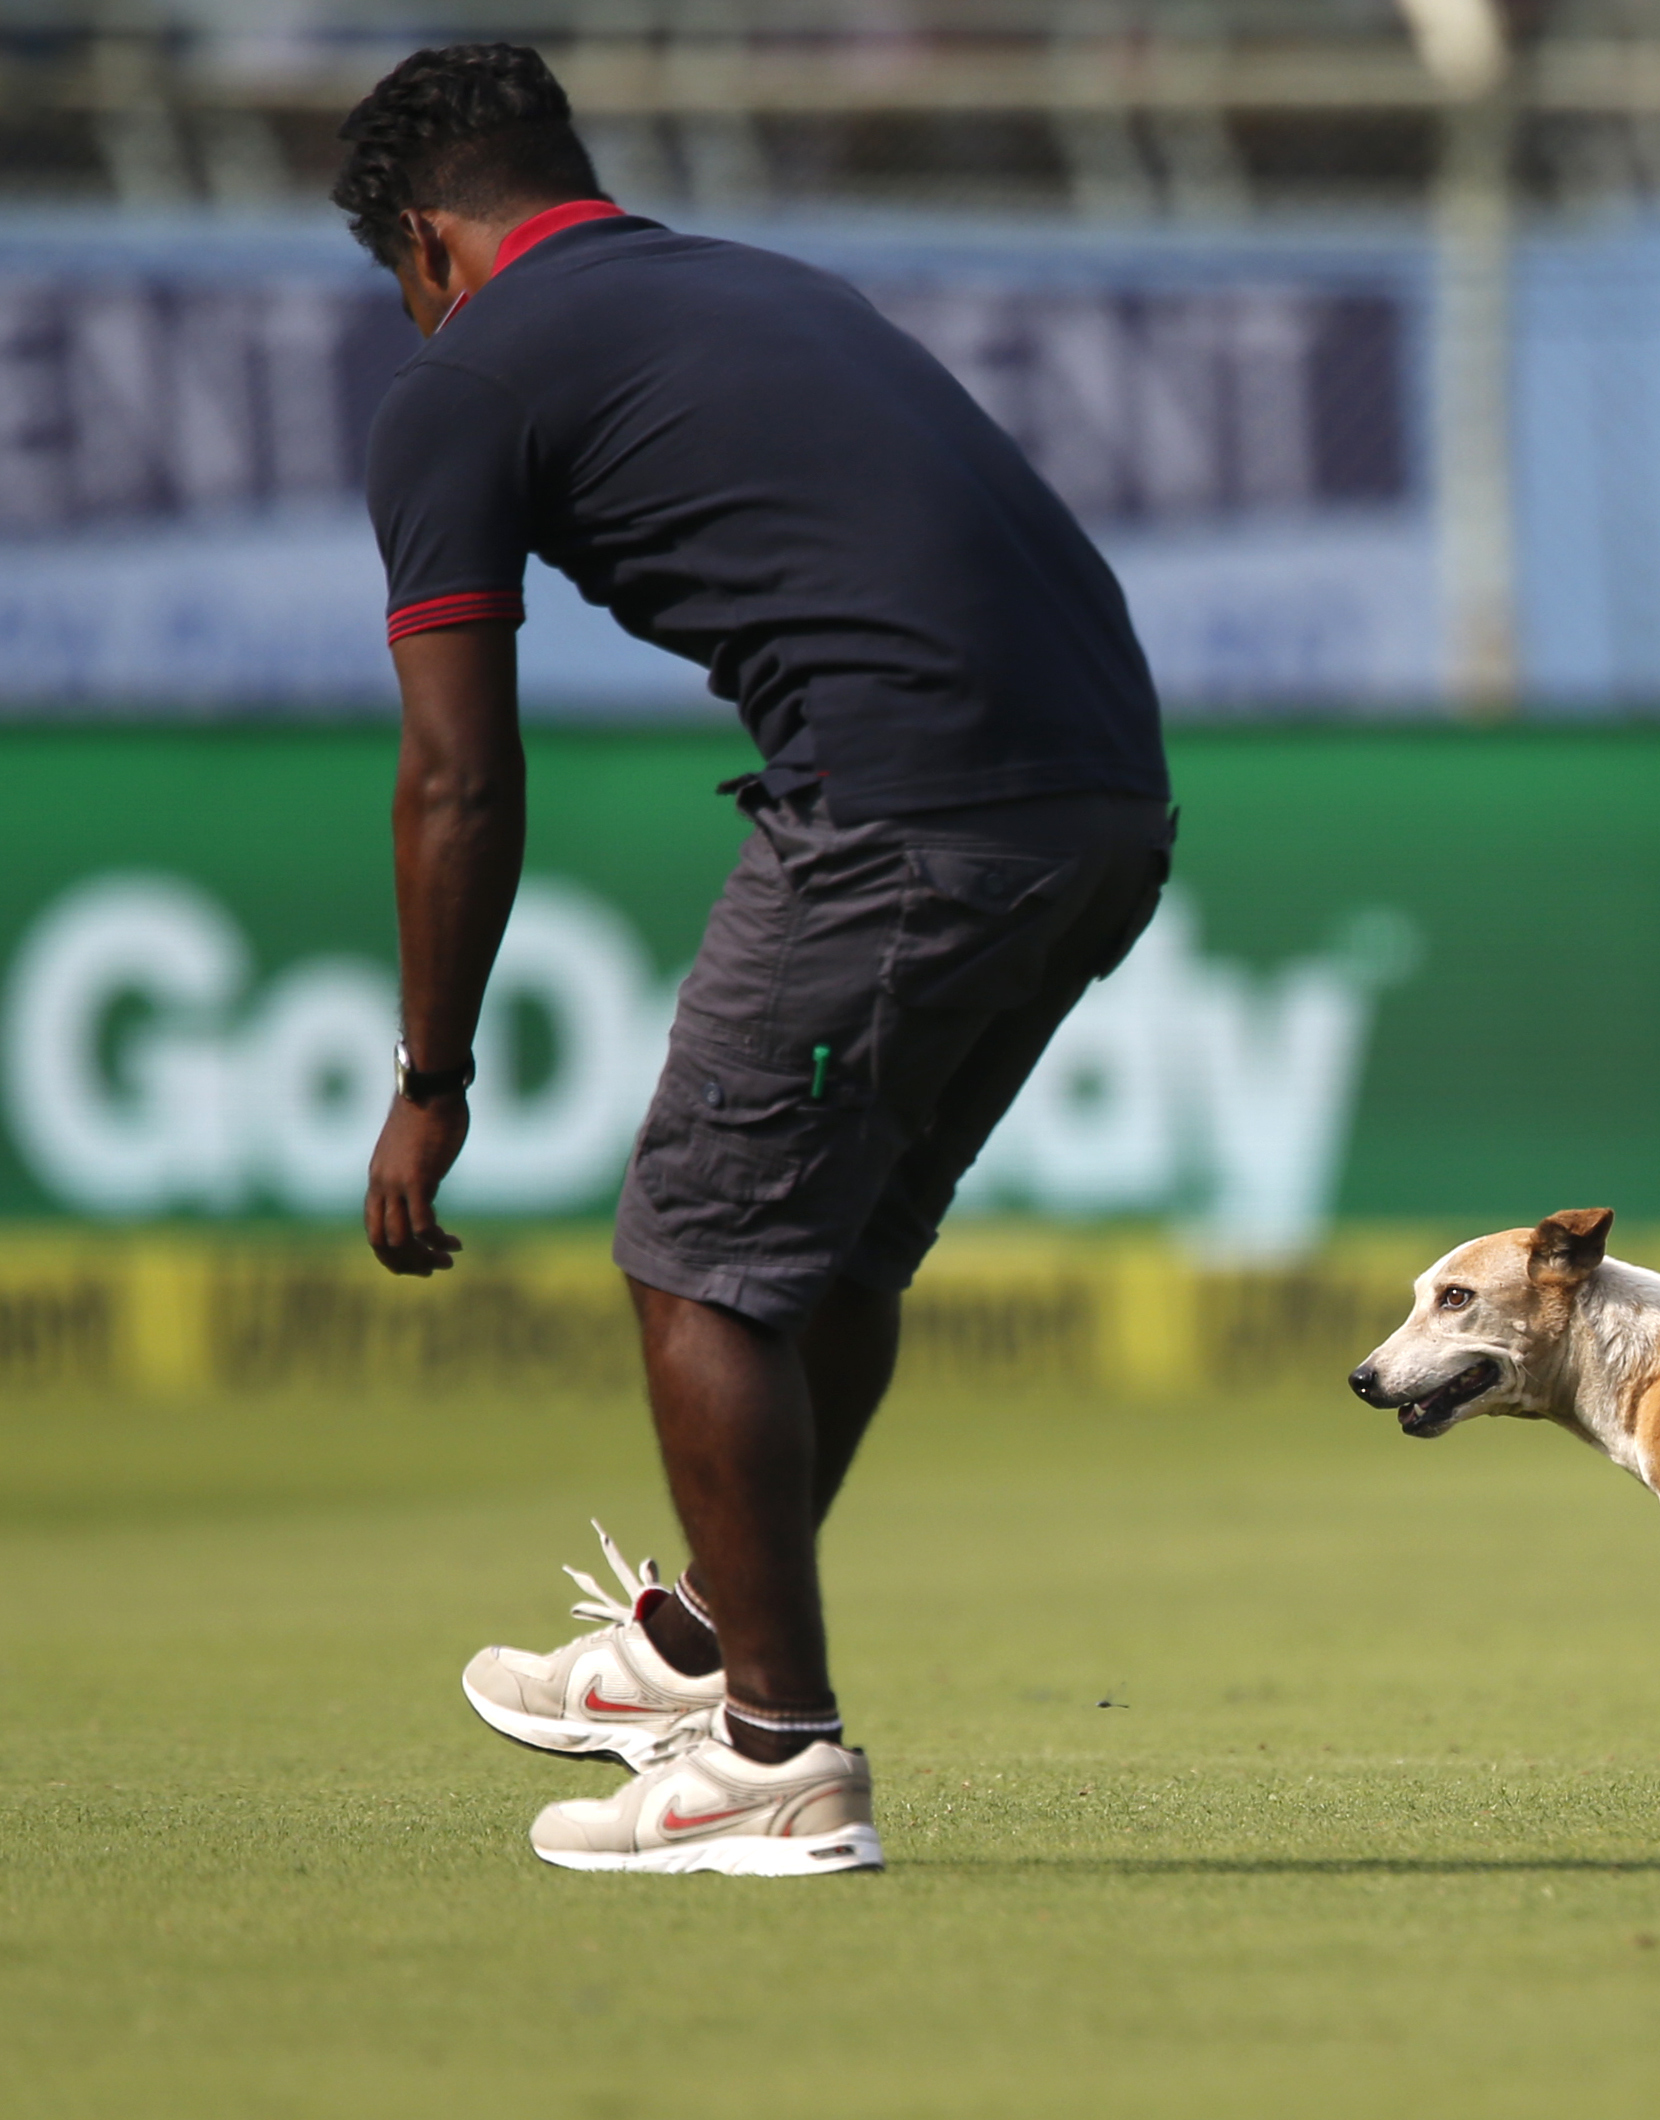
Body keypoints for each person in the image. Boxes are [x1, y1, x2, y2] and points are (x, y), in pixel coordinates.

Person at [339, 44, 1174, 1875]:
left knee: (699, 1263)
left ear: (424, 242)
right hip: (1108, 802)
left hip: (906, 808)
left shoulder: (463, 378)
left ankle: (776, 1760)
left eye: (399, 284)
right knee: (821, 1257)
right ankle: (706, 1658)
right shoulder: (761, 283)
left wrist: (430, 1077)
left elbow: (458, 776)